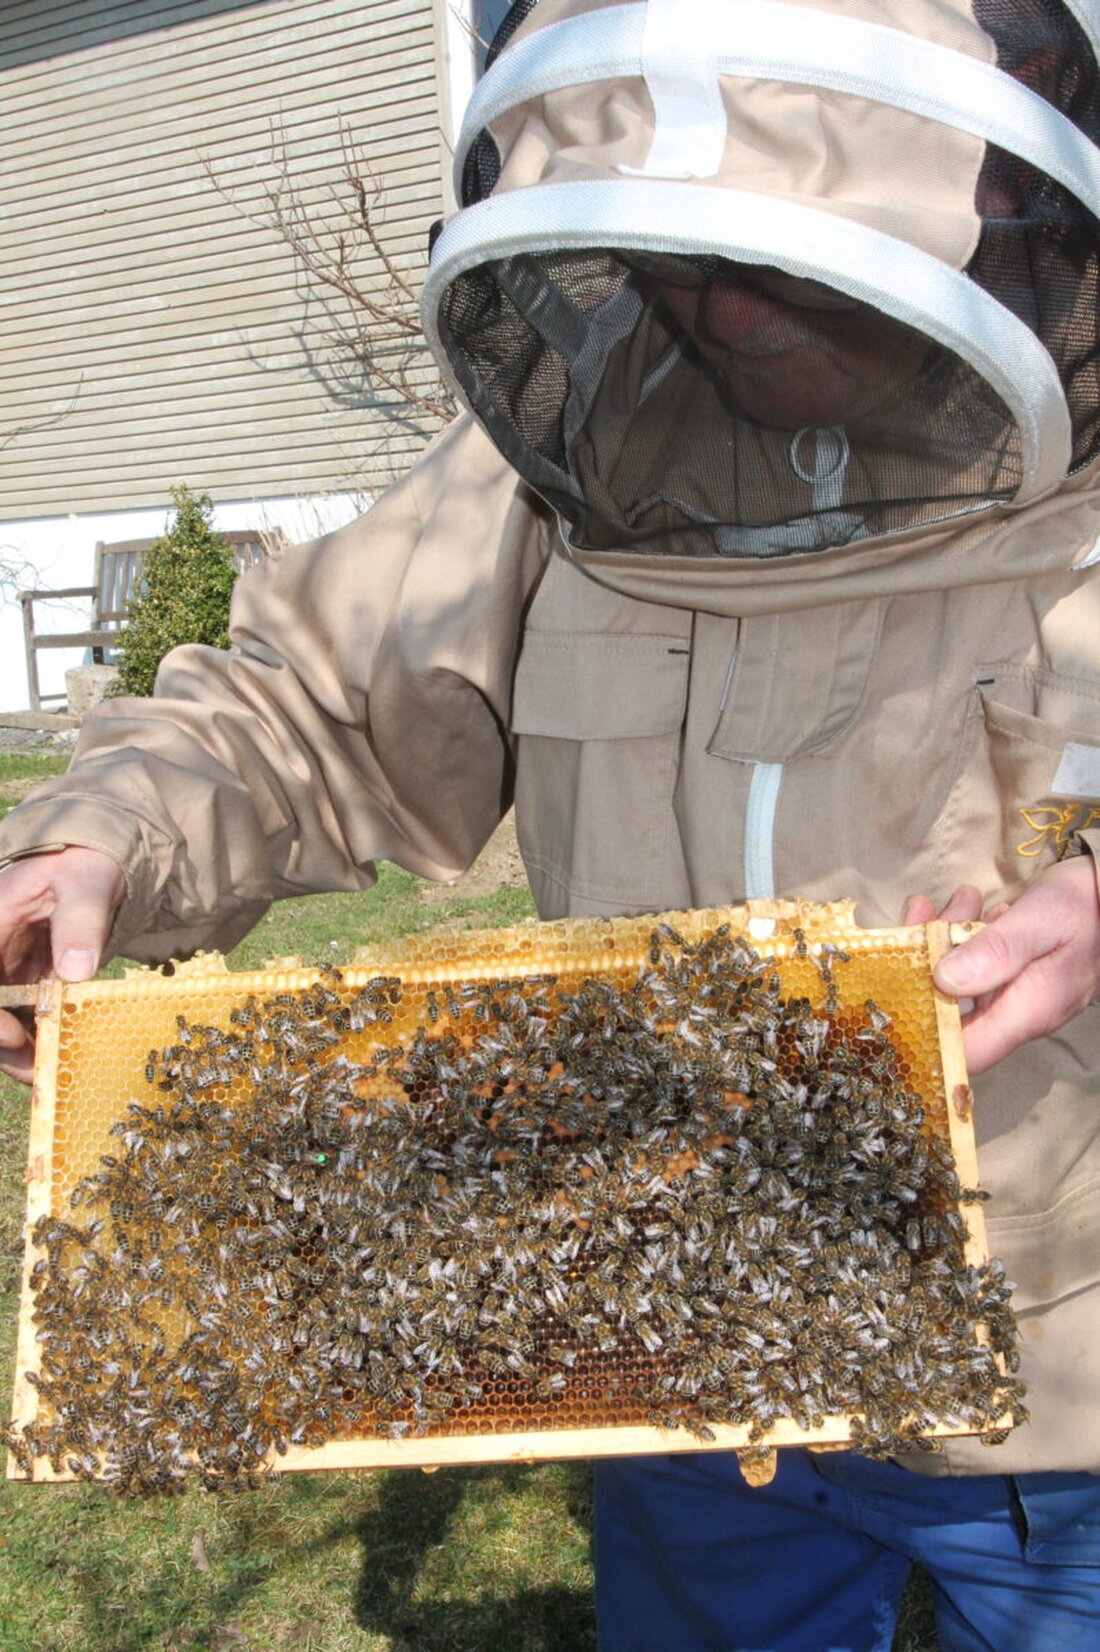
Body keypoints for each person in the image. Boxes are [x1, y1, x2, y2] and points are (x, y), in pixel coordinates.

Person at [4, 0, 1100, 1644]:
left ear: (988, 204)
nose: (714, 308)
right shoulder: (561, 454)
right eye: (671, 255)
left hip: (1059, 1395)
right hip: (666, 1362)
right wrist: (97, 841)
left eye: (782, 258)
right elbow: (294, 701)